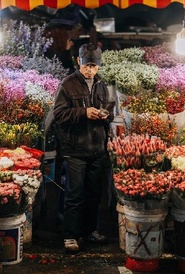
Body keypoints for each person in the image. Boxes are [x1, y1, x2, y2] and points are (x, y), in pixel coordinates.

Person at [53, 43, 115, 254]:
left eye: (94, 66)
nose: (90, 70)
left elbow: (107, 107)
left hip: (97, 148)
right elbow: (59, 115)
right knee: (75, 194)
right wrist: (83, 112)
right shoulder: (68, 84)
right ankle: (70, 235)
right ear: (78, 62)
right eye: (87, 65)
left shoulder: (100, 84)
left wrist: (107, 114)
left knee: (93, 194)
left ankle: (89, 231)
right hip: (75, 149)